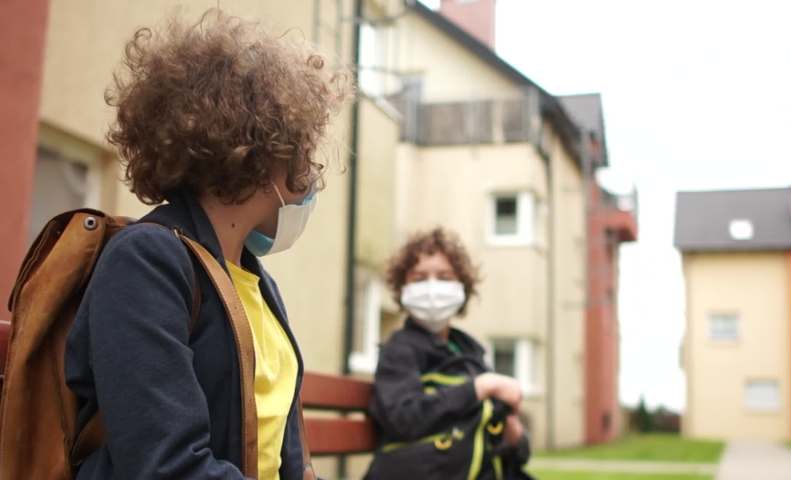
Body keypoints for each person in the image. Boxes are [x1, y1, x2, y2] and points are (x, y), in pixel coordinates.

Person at [64, 9, 349, 479]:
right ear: (263, 149)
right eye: (306, 151)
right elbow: (166, 467)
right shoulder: (146, 262)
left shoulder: (256, 282)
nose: (313, 174)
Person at [365, 227, 532, 480]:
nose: (432, 288)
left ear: (462, 287)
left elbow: (518, 453)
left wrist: (514, 431)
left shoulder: (469, 351)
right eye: (419, 279)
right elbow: (402, 419)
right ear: (403, 288)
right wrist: (479, 387)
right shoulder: (400, 349)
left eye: (444, 277)